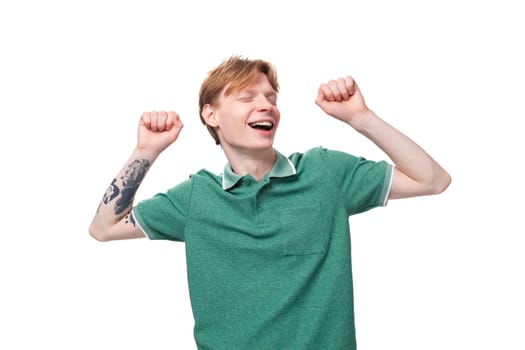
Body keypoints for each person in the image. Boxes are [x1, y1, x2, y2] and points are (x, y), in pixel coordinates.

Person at [89, 56, 451, 349]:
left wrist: (361, 118)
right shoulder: (197, 197)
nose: (266, 105)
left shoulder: (325, 172)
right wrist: (146, 151)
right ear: (211, 115)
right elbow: (104, 227)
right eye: (247, 97)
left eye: (271, 98)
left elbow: (432, 179)